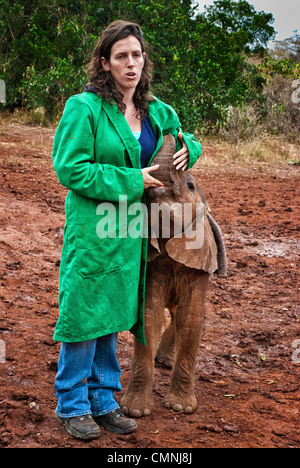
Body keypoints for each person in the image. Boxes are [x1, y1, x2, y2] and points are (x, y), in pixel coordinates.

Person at [52, 20, 202, 440]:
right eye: (121, 56)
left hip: (135, 228)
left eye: (136, 55)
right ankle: (72, 403)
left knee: (116, 312)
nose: (131, 63)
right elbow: (70, 168)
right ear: (105, 63)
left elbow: (184, 137)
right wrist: (133, 180)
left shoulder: (155, 109)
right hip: (95, 227)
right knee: (85, 312)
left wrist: (192, 148)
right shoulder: (84, 107)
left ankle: (103, 400)